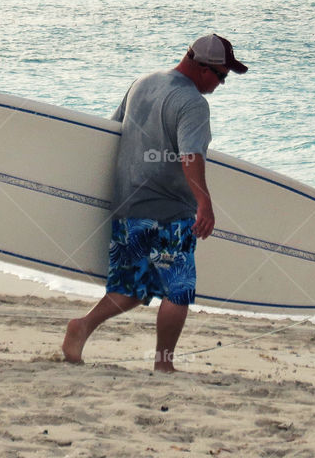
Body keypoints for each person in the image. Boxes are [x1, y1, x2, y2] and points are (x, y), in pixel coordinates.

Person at [62, 34, 248, 372]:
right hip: (169, 211)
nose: (222, 84)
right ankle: (164, 363)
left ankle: (82, 326)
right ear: (202, 67)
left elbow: (111, 134)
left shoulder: (142, 83)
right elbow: (191, 155)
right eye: (221, 76)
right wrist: (204, 203)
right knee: (177, 290)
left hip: (128, 205)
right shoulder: (192, 103)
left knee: (131, 287)